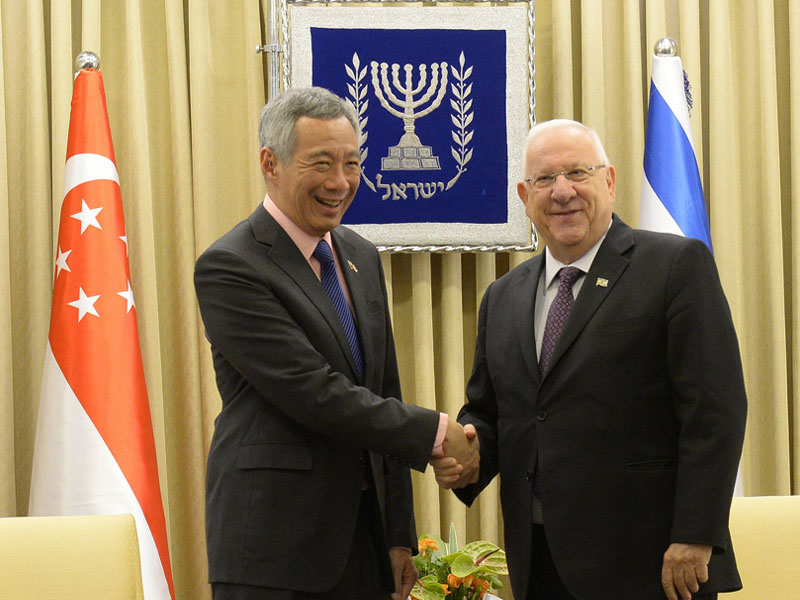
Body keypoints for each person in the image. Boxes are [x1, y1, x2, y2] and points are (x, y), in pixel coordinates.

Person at [432, 119, 747, 600]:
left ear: (610, 181)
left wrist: (696, 534)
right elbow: (494, 412)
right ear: (524, 194)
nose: (562, 192)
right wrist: (468, 455)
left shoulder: (674, 266)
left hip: (652, 561)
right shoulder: (503, 296)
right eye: (544, 179)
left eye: (578, 173)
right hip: (538, 560)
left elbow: (715, 410)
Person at [194, 87, 477, 600]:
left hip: (364, 544)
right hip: (274, 548)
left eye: (352, 163)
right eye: (320, 163)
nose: (340, 182)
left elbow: (381, 388)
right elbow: (313, 392)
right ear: (270, 163)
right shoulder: (231, 266)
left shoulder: (359, 255)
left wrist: (397, 536)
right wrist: (436, 432)